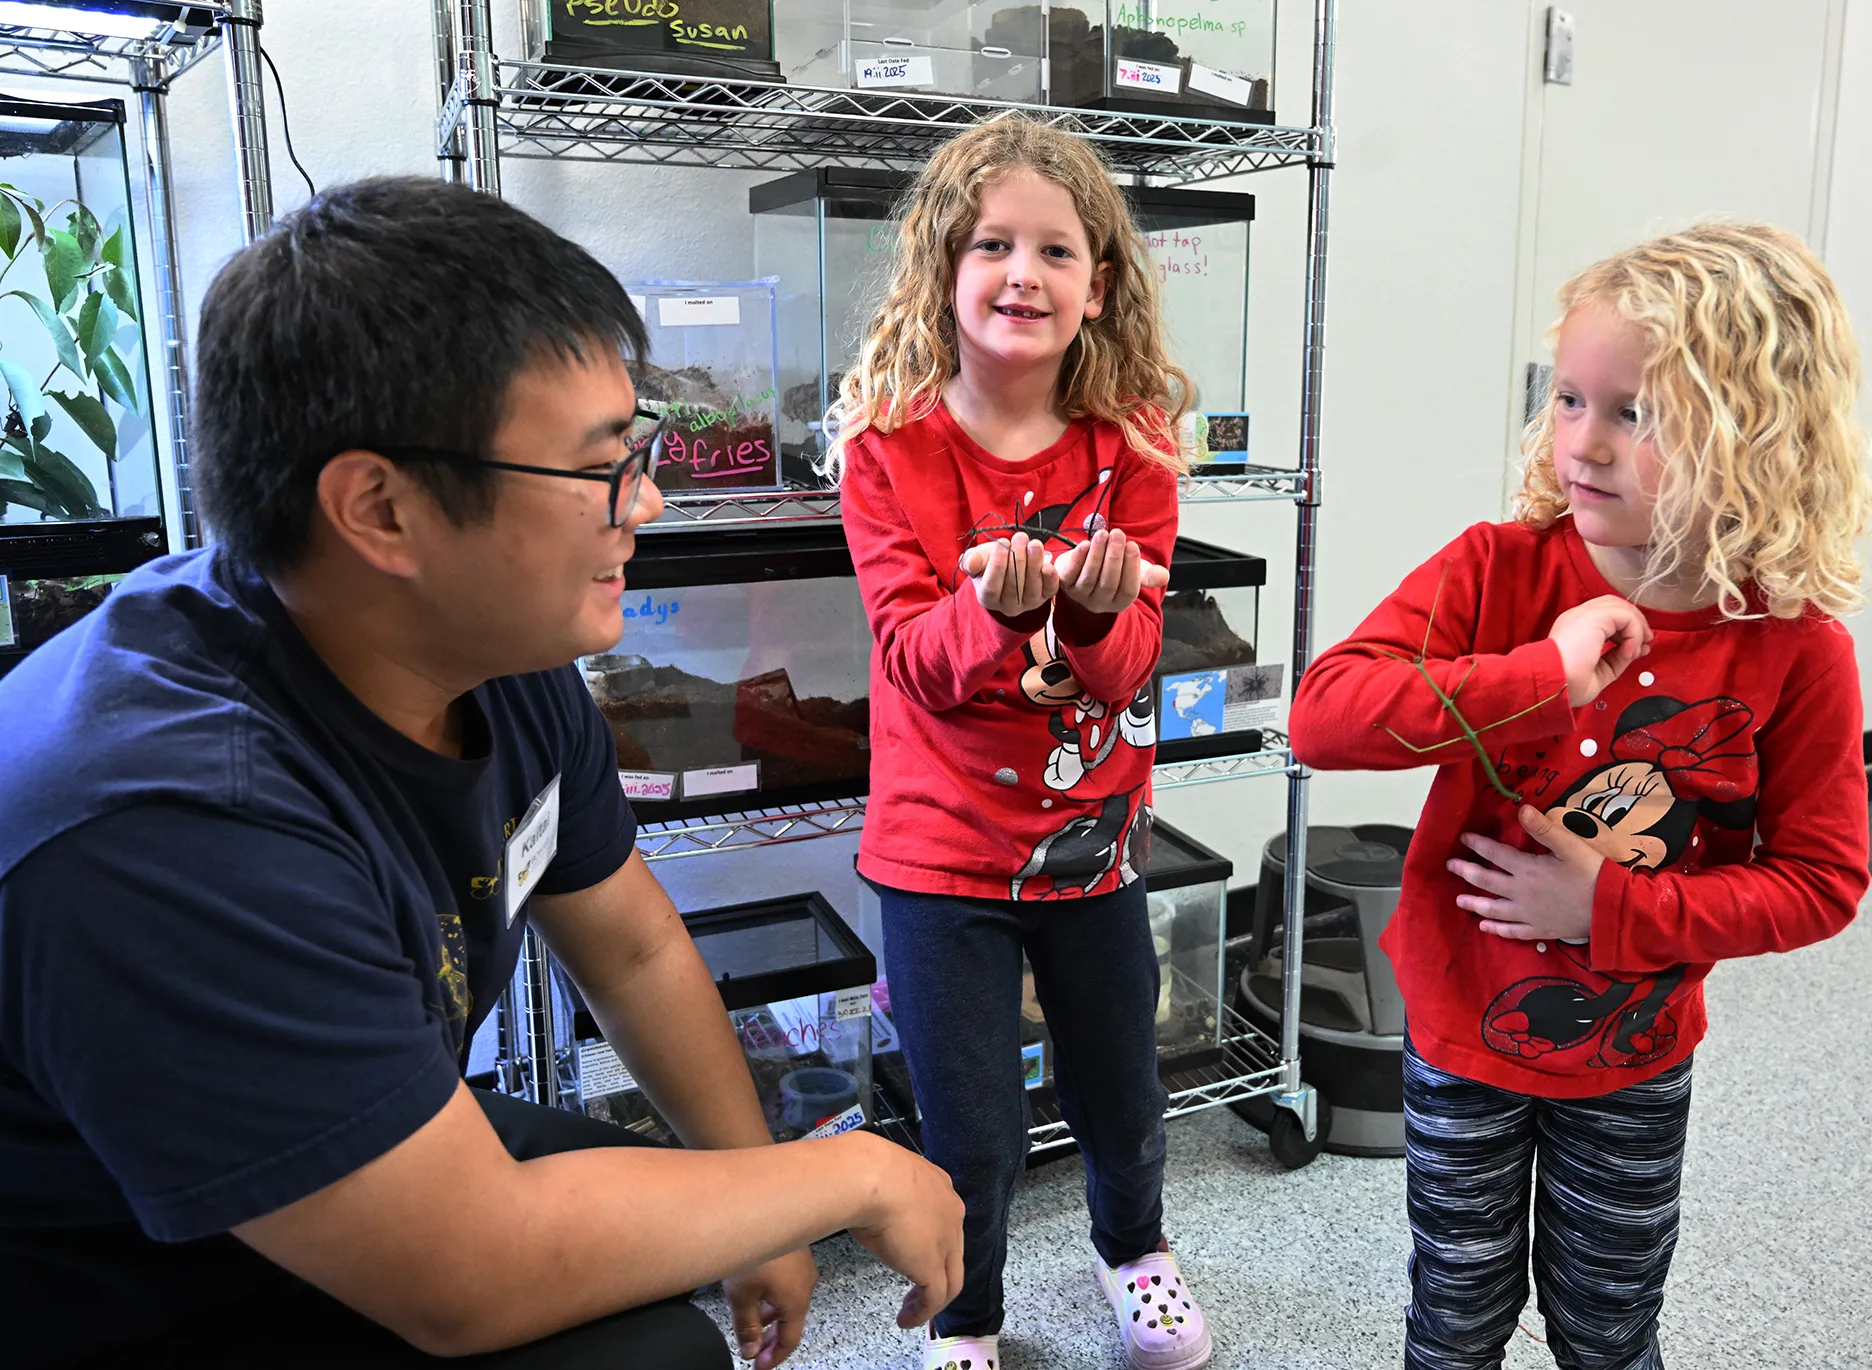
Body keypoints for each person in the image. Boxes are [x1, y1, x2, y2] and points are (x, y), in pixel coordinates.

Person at [0, 177, 963, 1370]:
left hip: (316, 1134)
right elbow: (470, 1276)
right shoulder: (166, 824)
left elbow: (631, 942)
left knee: (663, 1275)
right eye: (604, 466)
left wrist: (750, 1186)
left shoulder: (485, 653)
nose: (647, 502)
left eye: (642, 449)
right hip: (118, 1278)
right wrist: (841, 1171)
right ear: (380, 510)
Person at [1290, 222, 1871, 1370]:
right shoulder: (1499, 569)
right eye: (1567, 399)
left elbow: (1822, 884)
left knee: (1608, 1329)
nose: (1582, 444)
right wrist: (1539, 676)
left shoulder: (1798, 651)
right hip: (1461, 1030)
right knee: (1452, 1320)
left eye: (1633, 413)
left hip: (1637, 1052)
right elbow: (1326, 713)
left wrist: (1604, 909)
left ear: (1754, 434)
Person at [832, 115, 1211, 1370]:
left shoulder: (1135, 443)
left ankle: (1136, 1252)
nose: (1023, 273)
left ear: (1097, 284)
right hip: (939, 852)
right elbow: (906, 664)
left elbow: (1137, 665)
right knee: (973, 1125)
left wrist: (1094, 613)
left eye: (1057, 250)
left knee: (1124, 1089)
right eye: (994, 242)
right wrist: (992, 616)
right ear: (945, 266)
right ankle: (966, 1314)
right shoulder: (887, 449)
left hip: (1094, 844)